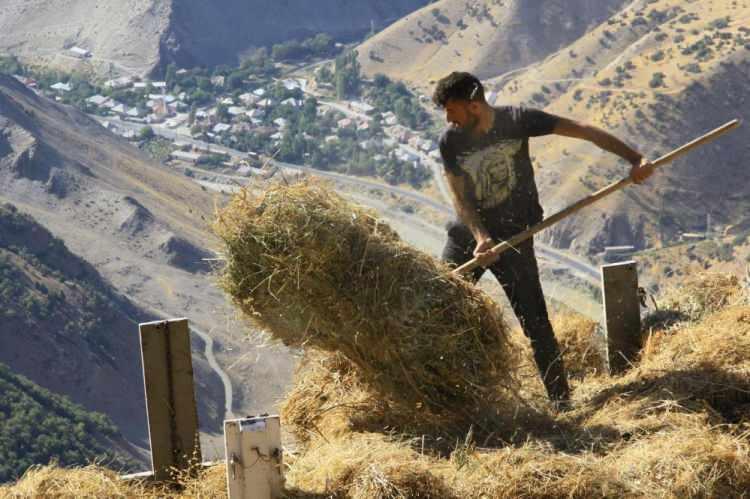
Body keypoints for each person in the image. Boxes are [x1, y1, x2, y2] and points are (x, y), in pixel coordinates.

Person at [432, 72, 654, 405]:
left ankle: (561, 404)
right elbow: (461, 199)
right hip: (469, 236)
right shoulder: (451, 141)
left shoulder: (519, 121)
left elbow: (584, 131)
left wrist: (635, 159)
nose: (448, 119)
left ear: (474, 106)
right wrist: (481, 237)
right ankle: (446, 399)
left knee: (536, 324)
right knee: (437, 306)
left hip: (517, 234)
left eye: (452, 110)